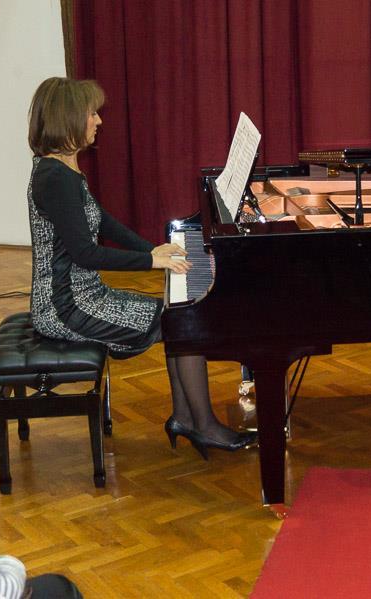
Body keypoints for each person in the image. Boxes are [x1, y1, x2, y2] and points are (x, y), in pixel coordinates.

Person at [27, 77, 256, 459]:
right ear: (68, 118)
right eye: (92, 113)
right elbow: (85, 254)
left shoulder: (62, 169)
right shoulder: (55, 179)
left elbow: (102, 221)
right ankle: (201, 424)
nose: (98, 120)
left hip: (81, 296)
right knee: (181, 322)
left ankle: (186, 418)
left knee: (177, 315)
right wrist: (151, 261)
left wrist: (152, 248)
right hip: (64, 307)